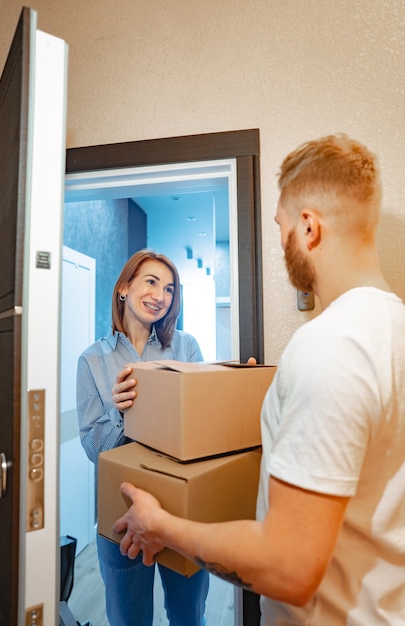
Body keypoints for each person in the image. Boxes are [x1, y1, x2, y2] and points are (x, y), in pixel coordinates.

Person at [113, 134, 405, 625]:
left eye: (282, 225)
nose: (280, 239)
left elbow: (288, 568)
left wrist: (161, 526)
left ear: (308, 227)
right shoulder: (392, 328)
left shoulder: (329, 347)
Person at [76, 249, 209, 626]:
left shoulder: (186, 348)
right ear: (124, 287)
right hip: (122, 515)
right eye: (151, 282)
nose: (161, 296)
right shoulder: (92, 361)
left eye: (169, 289)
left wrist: (229, 393)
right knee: (128, 619)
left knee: (189, 615)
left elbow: (203, 427)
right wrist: (121, 415)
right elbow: (94, 450)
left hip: (182, 509)